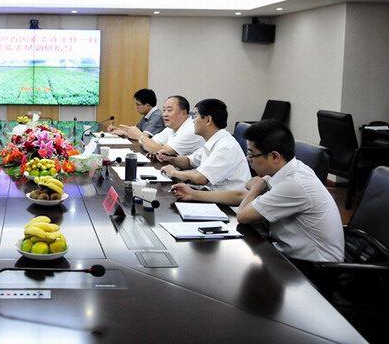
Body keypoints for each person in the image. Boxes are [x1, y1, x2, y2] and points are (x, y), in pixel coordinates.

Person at [172, 120, 344, 264]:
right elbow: (243, 195)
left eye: (252, 155)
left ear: (274, 156)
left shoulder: (293, 184)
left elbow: (243, 215)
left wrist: (256, 187)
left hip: (313, 268)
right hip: (288, 252)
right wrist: (193, 194)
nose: (249, 160)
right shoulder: (287, 169)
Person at [159, 98, 251, 191]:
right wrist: (169, 158)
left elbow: (200, 178)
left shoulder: (225, 147)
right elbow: (189, 161)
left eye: (196, 116)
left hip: (226, 199)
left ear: (208, 120)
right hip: (211, 193)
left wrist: (174, 172)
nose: (193, 121)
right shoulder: (213, 140)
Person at [140, 95, 204, 157]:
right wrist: (152, 148)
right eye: (164, 110)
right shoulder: (172, 127)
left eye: (169, 110)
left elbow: (162, 151)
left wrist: (139, 136)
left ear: (184, 112)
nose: (164, 114)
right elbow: (150, 143)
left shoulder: (191, 130)